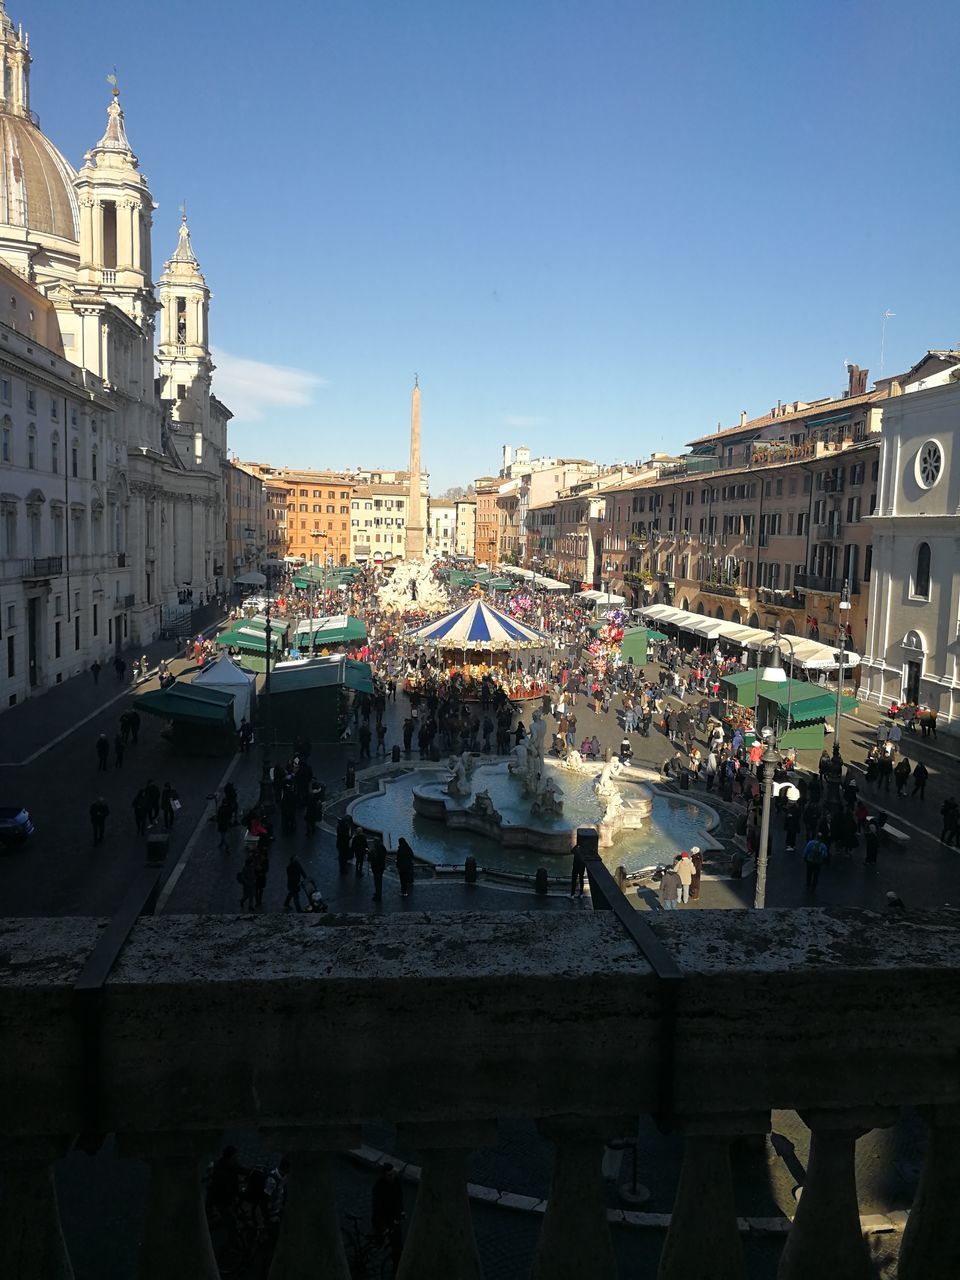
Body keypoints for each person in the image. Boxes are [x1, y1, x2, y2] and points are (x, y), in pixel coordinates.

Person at [371, 1165, 404, 1272]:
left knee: (397, 1247)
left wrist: (401, 1211)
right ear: (384, 1176)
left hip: (394, 1219)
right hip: (383, 1218)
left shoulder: (396, 1182)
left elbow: (400, 1198)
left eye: (393, 1174)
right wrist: (382, 1226)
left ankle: (396, 1269)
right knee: (377, 1243)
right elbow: (377, 1209)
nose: (392, 1177)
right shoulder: (378, 1187)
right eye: (389, 1175)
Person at [370, 837, 387, 902]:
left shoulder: (374, 850)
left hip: (376, 867)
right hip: (381, 867)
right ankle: (378, 894)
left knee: (377, 881)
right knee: (380, 881)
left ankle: (378, 895)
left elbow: (370, 858)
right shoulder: (383, 848)